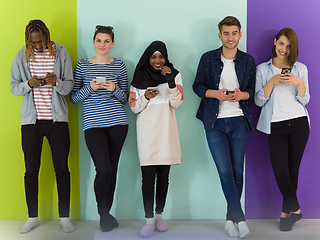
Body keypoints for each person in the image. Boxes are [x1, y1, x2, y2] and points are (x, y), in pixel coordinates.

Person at [193, 16, 255, 238]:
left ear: (240, 34)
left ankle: (230, 219)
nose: (230, 37)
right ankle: (240, 218)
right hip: (214, 121)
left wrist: (240, 95)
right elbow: (197, 86)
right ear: (220, 35)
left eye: (234, 33)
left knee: (238, 173)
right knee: (225, 173)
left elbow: (251, 92)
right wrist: (215, 93)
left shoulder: (248, 60)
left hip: (239, 120)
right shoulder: (208, 58)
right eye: (226, 33)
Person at [10, 19, 75, 234]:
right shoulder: (22, 55)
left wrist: (55, 82)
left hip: (57, 121)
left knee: (62, 170)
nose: (38, 46)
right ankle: (32, 217)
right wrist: (28, 84)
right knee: (31, 171)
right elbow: (14, 87)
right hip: (31, 122)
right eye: (33, 42)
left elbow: (69, 86)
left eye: (41, 41)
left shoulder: (61, 52)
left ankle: (64, 217)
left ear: (47, 36)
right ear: (28, 40)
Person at [70, 25, 129, 232]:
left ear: (112, 44)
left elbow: (126, 99)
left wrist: (114, 89)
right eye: (98, 40)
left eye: (106, 41)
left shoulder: (119, 65)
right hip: (93, 124)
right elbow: (74, 97)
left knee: (112, 170)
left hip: (118, 123)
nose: (102, 44)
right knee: (102, 169)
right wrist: (90, 88)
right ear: (93, 42)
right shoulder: (83, 66)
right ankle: (103, 213)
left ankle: (106, 214)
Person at [255, 28, 309, 231]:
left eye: (288, 46)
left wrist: (299, 83)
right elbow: (259, 101)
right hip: (275, 125)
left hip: (298, 123)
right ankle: (297, 210)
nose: (284, 49)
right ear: (275, 42)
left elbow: (305, 99)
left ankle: (285, 213)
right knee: (281, 173)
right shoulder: (262, 69)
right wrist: (271, 82)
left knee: (293, 171)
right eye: (281, 44)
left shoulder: (300, 68)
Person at [129, 41, 184, 238]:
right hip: (146, 133)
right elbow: (134, 107)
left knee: (164, 177)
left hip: (167, 131)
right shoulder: (139, 76)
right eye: (154, 57)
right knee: (147, 179)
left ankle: (160, 216)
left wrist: (169, 81)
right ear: (148, 58)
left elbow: (177, 102)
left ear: (166, 58)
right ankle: (149, 220)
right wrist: (146, 97)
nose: (158, 60)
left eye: (161, 57)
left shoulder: (174, 74)